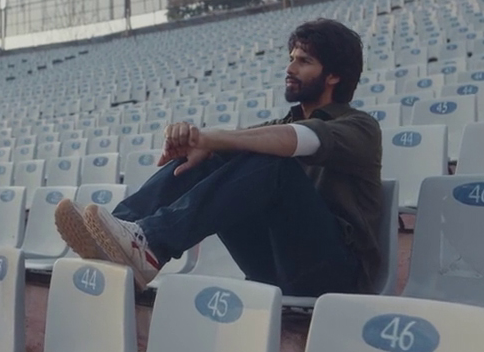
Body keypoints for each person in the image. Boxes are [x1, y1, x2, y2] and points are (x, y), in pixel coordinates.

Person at [54, 18, 383, 297]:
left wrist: (208, 137)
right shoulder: (283, 123)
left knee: (268, 159)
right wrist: (204, 144)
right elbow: (247, 142)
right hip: (274, 264)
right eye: (291, 58)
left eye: (304, 61)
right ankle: (118, 234)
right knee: (214, 156)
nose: (289, 68)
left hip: (336, 276)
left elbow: (294, 140)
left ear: (333, 76)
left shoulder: (359, 126)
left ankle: (150, 243)